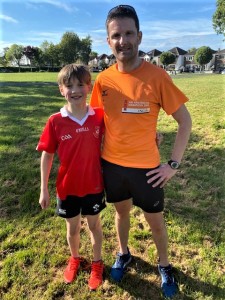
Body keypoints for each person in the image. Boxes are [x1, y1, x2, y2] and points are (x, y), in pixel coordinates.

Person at [90, 5, 192, 298]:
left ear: (140, 36)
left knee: (156, 223)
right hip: (111, 165)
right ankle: (124, 253)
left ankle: (164, 264)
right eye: (116, 35)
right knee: (121, 214)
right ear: (108, 41)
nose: (123, 40)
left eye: (129, 33)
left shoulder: (158, 77)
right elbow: (98, 121)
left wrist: (172, 164)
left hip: (148, 169)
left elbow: (185, 122)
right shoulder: (103, 80)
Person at [37, 64, 105, 291]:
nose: (75, 90)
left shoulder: (99, 117)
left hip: (94, 185)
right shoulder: (55, 120)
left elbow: (124, 131)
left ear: (89, 86)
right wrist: (43, 189)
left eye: (80, 85)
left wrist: (150, 135)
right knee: (73, 229)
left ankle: (97, 263)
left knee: (94, 226)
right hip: (67, 188)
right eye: (69, 85)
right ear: (61, 90)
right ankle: (75, 258)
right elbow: (47, 156)